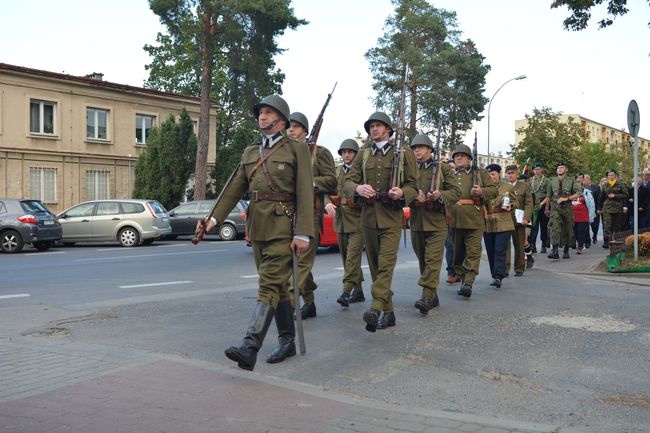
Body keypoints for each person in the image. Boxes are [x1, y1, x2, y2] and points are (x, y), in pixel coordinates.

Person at [196, 95, 314, 371]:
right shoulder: (251, 152)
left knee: (269, 285)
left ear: (282, 120)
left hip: (284, 228)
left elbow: (305, 193)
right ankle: (287, 340)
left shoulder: (296, 149)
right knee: (279, 287)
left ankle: (250, 346)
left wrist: (303, 233)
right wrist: (213, 219)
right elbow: (234, 188)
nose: (262, 116)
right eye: (260, 111)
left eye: (268, 112)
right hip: (258, 229)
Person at [343, 111, 417, 331]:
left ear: (388, 129)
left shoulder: (403, 154)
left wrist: (401, 192)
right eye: (371, 126)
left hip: (391, 217)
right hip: (367, 218)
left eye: (378, 125)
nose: (373, 129)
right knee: (375, 267)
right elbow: (347, 182)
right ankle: (389, 312)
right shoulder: (363, 155)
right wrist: (358, 188)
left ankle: (375, 307)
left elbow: (413, 186)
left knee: (385, 265)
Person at [286, 112, 337, 320]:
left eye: (296, 126)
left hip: (310, 215)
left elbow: (331, 181)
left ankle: (287, 304)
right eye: (289, 126)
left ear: (306, 132)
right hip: (286, 215)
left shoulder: (319, 152)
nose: (291, 130)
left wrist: (308, 183)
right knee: (292, 261)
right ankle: (309, 302)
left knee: (301, 262)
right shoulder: (282, 153)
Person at [408, 133, 460, 314]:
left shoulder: (443, 168)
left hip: (437, 222)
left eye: (420, 147)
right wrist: (411, 195)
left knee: (433, 260)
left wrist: (440, 195)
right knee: (423, 261)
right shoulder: (409, 169)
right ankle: (432, 294)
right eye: (414, 148)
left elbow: (456, 192)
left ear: (430, 149)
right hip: (416, 221)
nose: (417, 151)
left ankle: (426, 297)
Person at [448, 144, 497, 298]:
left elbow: (494, 190)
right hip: (454, 219)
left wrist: (481, 191)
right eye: (456, 156)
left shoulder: (480, 173)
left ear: (469, 158)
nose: (459, 158)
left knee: (473, 252)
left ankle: (468, 282)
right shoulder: (448, 174)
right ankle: (463, 279)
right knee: (457, 254)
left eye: (462, 155)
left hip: (474, 219)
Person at [325, 138, 365, 307]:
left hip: (358, 220)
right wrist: (327, 202)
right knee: (346, 259)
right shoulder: (337, 171)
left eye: (350, 152)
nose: (346, 155)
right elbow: (327, 190)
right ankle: (359, 291)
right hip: (340, 220)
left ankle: (346, 291)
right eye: (344, 152)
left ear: (356, 155)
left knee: (352, 258)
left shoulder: (362, 172)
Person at [483, 164, 514, 288]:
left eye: (493, 174)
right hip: (488, 222)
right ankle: (494, 274)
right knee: (490, 250)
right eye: (488, 175)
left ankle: (498, 276)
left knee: (500, 250)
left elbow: (515, 202)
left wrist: (511, 205)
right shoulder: (483, 188)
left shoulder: (507, 187)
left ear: (499, 174)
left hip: (504, 222)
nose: (491, 177)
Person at [545, 162, 581, 259]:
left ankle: (566, 250)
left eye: (562, 168)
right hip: (555, 207)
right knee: (554, 227)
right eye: (558, 168)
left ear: (566, 170)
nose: (559, 169)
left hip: (567, 207)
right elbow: (549, 196)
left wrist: (567, 199)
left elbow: (578, 193)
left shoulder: (571, 180)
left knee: (568, 229)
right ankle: (555, 250)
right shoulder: (551, 181)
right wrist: (546, 207)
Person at [504, 165, 532, 277]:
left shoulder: (524, 187)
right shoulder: (503, 186)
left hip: (519, 220)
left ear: (517, 174)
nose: (510, 175)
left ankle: (519, 268)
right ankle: (505, 269)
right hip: (505, 220)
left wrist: (526, 218)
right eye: (508, 173)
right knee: (505, 246)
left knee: (519, 245)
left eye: (513, 173)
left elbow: (529, 203)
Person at [597, 168, 628, 248]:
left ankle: (617, 241)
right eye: (609, 175)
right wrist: (599, 208)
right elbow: (602, 197)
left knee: (617, 226)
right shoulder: (605, 185)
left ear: (615, 175)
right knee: (607, 225)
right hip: (607, 208)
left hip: (618, 208)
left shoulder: (621, 184)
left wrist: (615, 196)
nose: (610, 176)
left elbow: (626, 195)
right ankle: (607, 241)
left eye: (612, 175)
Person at [444, 159, 461, 284]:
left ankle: (461, 270)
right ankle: (451, 272)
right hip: (447, 216)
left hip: (462, 216)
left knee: (460, 246)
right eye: (448, 167)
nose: (450, 169)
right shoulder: (443, 180)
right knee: (449, 245)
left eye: (452, 167)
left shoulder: (459, 180)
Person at [529, 162, 549, 253]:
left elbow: (549, 195)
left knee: (544, 225)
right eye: (535, 169)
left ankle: (544, 244)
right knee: (533, 226)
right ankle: (533, 245)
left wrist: (542, 204)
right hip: (533, 205)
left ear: (541, 169)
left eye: (538, 169)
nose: (536, 171)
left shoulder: (546, 180)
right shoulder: (530, 180)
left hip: (543, 203)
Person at [572, 184, 590, 254]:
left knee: (581, 231)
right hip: (572, 216)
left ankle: (580, 247)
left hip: (582, 216)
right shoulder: (570, 194)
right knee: (575, 232)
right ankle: (577, 243)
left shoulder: (586, 193)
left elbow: (590, 204)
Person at [584, 174, 601, 245]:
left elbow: (599, 199)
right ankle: (587, 240)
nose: (584, 181)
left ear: (589, 179)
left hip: (595, 209)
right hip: (585, 209)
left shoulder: (596, 187)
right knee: (585, 225)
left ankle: (594, 235)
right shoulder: (582, 188)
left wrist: (599, 208)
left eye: (585, 179)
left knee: (595, 225)